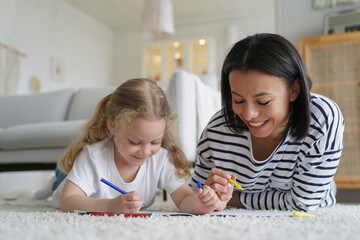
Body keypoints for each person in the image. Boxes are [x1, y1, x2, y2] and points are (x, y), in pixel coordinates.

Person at [189, 33, 344, 212]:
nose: (249, 114)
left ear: (294, 90)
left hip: (318, 192)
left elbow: (302, 203)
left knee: (324, 188)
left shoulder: (322, 119)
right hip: (268, 189)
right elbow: (195, 190)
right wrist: (208, 196)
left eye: (263, 102)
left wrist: (233, 198)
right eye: (238, 100)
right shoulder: (216, 131)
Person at [51, 78, 220, 214]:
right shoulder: (93, 156)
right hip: (67, 182)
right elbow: (67, 201)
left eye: (155, 142)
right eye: (135, 142)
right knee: (59, 179)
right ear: (113, 126)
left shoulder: (160, 158)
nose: (146, 151)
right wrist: (111, 206)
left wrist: (199, 203)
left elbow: (184, 199)